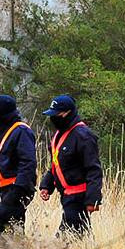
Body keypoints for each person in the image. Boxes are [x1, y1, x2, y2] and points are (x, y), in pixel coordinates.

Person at [38, 95, 103, 237]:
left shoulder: (84, 136)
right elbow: (57, 165)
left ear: (68, 113)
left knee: (64, 243)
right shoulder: (59, 135)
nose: (53, 118)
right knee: (76, 242)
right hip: (67, 198)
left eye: (56, 114)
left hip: (79, 198)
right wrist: (46, 186)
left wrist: (93, 199)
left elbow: (94, 170)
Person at [0, 94, 37, 239]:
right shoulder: (7, 131)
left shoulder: (21, 131)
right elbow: (1, 166)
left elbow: (28, 163)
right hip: (7, 188)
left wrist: (17, 190)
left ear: (2, 112)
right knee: (13, 227)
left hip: (18, 188)